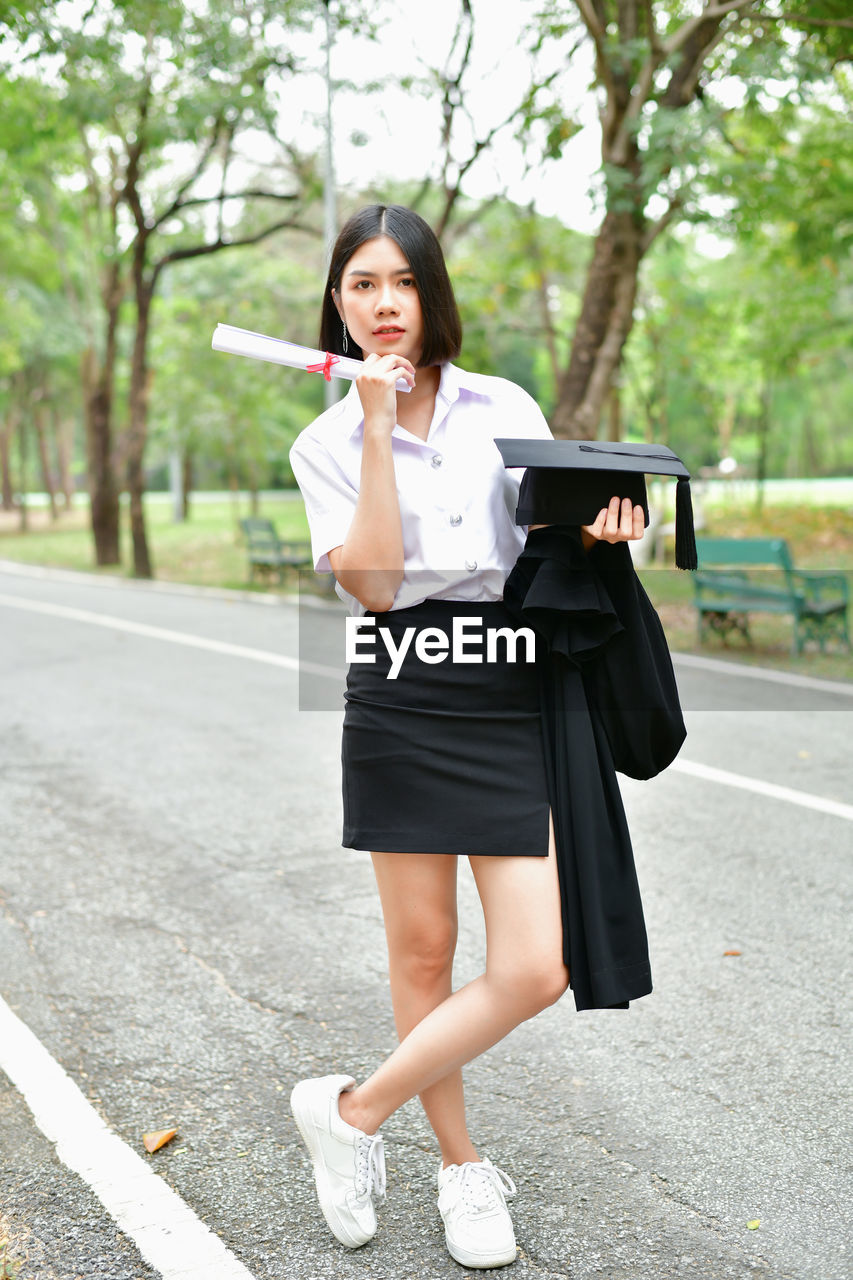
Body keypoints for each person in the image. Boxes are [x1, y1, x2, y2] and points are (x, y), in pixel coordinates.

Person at [288, 204, 646, 1270]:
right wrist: (369, 424)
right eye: (360, 284)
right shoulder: (323, 439)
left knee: (536, 964)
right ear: (338, 303)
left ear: (429, 292)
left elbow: (545, 531)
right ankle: (456, 1165)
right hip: (400, 691)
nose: (382, 303)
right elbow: (378, 584)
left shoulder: (501, 404)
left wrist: (599, 522)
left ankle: (351, 1111)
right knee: (424, 952)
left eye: (400, 281)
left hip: (506, 684)